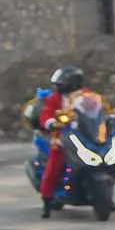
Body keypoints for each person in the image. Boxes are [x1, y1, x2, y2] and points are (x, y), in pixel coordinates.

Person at [34, 66, 88, 210]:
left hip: (85, 136)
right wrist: (51, 123)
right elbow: (46, 114)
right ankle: (47, 197)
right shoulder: (54, 98)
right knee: (55, 162)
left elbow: (98, 109)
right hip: (61, 136)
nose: (58, 86)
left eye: (61, 83)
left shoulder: (87, 95)